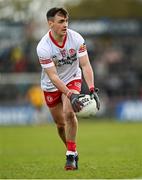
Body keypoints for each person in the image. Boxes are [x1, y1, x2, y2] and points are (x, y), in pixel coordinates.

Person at [36, 7, 100, 170]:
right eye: (61, 21)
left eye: (66, 21)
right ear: (50, 24)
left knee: (69, 112)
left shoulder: (76, 38)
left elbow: (85, 65)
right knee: (60, 124)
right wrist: (69, 94)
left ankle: (70, 156)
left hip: (72, 78)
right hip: (51, 85)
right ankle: (73, 150)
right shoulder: (43, 47)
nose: (65, 25)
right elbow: (53, 77)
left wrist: (91, 88)